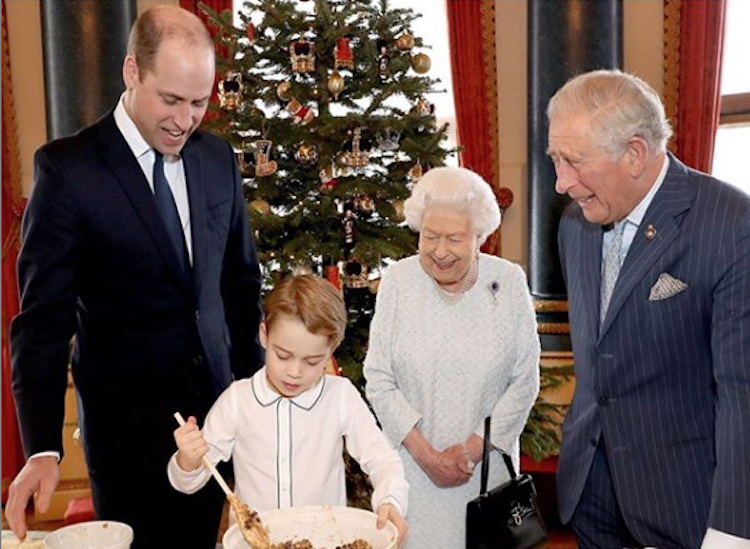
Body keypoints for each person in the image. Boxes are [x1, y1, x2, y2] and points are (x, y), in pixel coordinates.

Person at [7, 6, 263, 549]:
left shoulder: (217, 159)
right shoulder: (68, 171)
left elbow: (240, 289)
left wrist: (257, 401)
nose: (184, 119)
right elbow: (42, 323)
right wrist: (42, 447)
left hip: (218, 421)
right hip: (128, 439)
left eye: (198, 103)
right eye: (170, 99)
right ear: (131, 72)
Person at [549, 69, 750, 549]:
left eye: (573, 162)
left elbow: (743, 394)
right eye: (555, 160)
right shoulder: (575, 224)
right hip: (592, 494)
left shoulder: (731, 226)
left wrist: (731, 530)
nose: (560, 183)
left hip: (686, 504)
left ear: (635, 154)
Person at [363, 166, 541, 549]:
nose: (440, 251)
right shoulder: (397, 281)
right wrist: (427, 456)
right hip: (411, 473)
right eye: (430, 237)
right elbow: (377, 377)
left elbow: (525, 379)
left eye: (455, 239)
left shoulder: (508, 283)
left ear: (480, 237)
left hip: (485, 478)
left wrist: (470, 450)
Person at [169, 275, 409, 545]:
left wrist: (390, 499)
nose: (294, 373)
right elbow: (189, 482)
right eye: (282, 356)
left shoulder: (340, 397)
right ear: (264, 334)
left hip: (324, 540)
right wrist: (188, 461)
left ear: (331, 348)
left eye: (311, 361)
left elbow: (383, 460)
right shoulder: (237, 401)